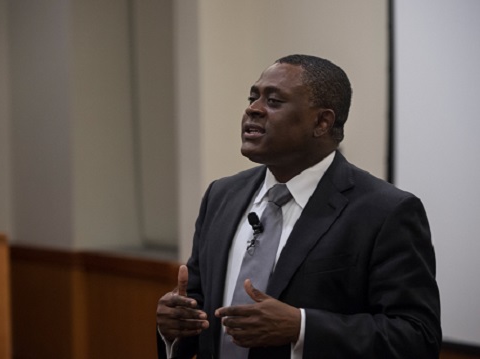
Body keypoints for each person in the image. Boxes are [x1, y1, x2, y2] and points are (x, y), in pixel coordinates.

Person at [156, 54, 441, 358]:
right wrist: (173, 325)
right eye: (253, 97)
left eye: (274, 101)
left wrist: (302, 328)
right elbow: (197, 301)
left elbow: (416, 337)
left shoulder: (385, 212)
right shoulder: (222, 195)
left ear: (322, 122)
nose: (253, 109)